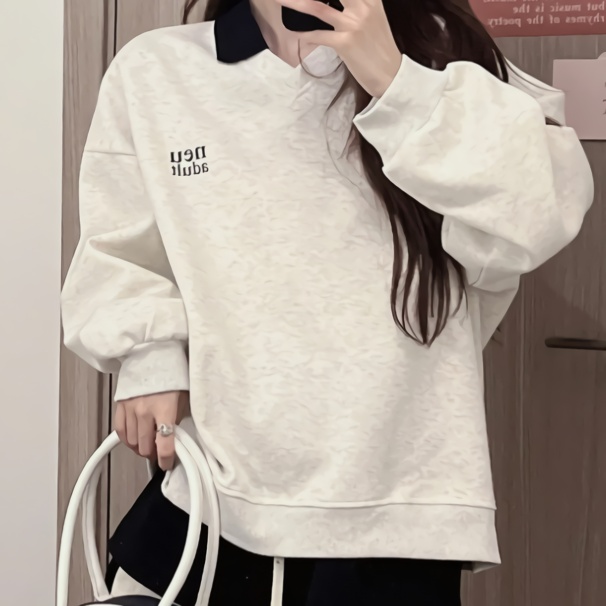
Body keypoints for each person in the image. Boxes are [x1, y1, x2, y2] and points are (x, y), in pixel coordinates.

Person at [61, 0, 593, 604]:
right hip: (209, 504)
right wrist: (149, 355)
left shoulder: (443, 54)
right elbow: (115, 247)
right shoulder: (157, 69)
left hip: (398, 513)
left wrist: (395, 80)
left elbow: (542, 211)